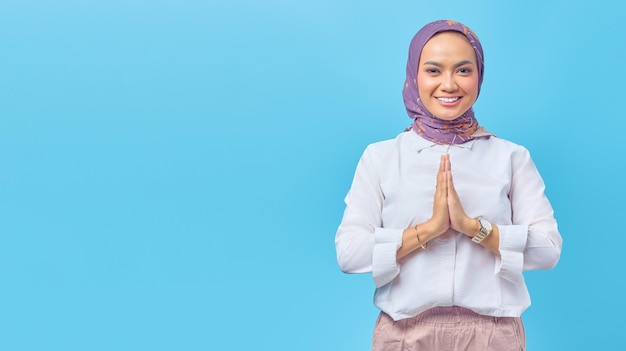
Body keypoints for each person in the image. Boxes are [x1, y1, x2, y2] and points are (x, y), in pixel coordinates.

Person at [334, 19, 562, 351]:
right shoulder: (380, 157)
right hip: (404, 334)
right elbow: (349, 253)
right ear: (414, 75)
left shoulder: (511, 157)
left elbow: (549, 248)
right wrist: (428, 230)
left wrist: (473, 228)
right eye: (434, 70)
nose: (449, 84)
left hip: (492, 335)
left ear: (479, 76)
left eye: (463, 70)